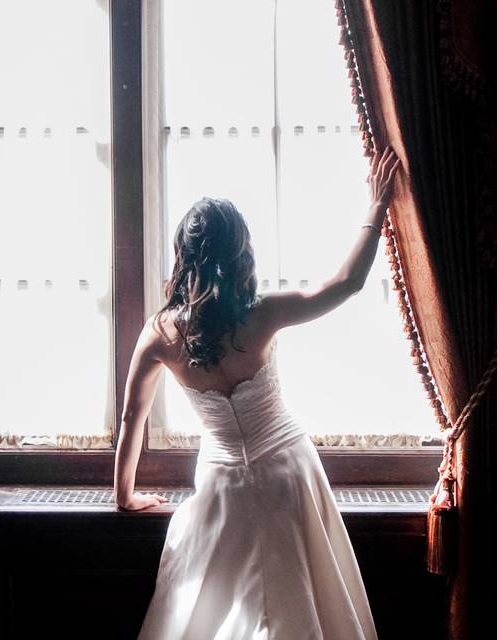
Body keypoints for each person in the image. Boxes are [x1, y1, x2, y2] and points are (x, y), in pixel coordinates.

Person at [113, 146, 402, 639]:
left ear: (184, 256)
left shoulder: (159, 334)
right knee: (302, 608)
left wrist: (124, 497)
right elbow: (347, 283)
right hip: (288, 472)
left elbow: (131, 420)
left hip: (223, 488)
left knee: (227, 615)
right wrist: (376, 207)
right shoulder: (261, 315)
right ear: (241, 253)